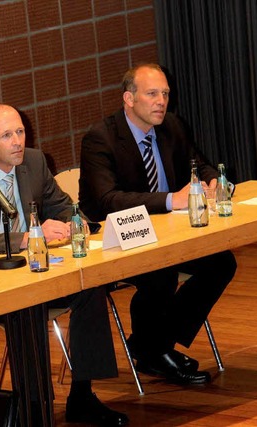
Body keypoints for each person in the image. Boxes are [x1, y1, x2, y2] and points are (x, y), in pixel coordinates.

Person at [0, 104, 129, 426]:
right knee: (26, 309)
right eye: (6, 135)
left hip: (34, 274)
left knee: (89, 289)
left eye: (20, 132)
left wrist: (78, 223)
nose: (17, 141)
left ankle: (82, 397)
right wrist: (28, 239)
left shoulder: (34, 161)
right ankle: (34, 410)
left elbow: (62, 204)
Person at [79, 63, 237, 385]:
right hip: (122, 240)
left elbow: (199, 163)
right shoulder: (101, 138)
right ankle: (156, 351)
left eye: (165, 94)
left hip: (170, 234)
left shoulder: (171, 127)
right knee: (160, 275)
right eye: (152, 94)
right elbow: (107, 201)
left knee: (222, 263)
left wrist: (213, 182)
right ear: (129, 98)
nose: (161, 101)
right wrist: (169, 200)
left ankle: (151, 346)